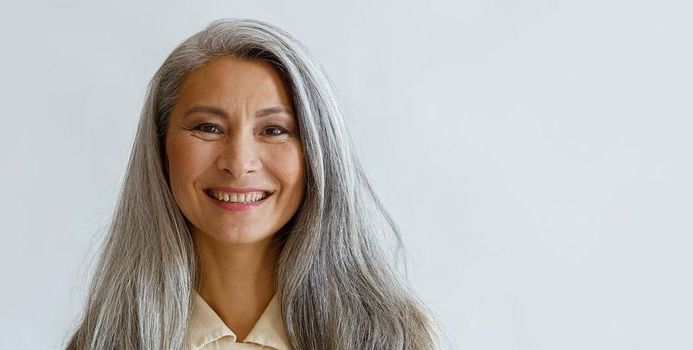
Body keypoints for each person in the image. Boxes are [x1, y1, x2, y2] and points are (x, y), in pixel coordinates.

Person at [66, 18, 440, 350]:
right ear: (160, 145)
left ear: (317, 153)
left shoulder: (395, 339)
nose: (239, 163)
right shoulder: (103, 340)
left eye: (274, 130)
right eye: (208, 128)